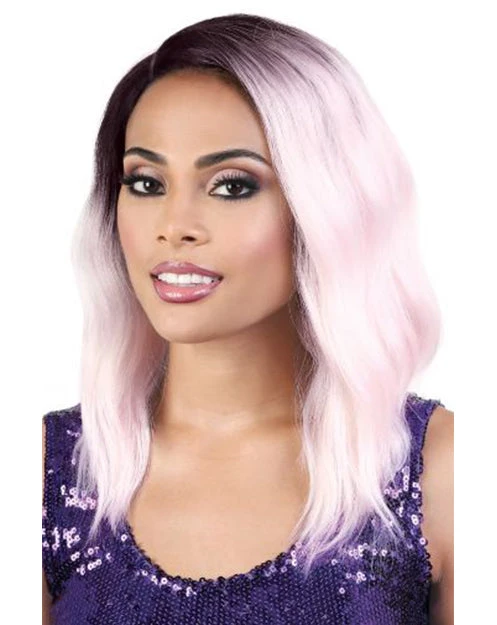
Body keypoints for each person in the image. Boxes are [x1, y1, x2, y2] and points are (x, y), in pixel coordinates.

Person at [42, 12, 454, 625]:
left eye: (232, 186)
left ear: (329, 205)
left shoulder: (437, 470)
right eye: (146, 182)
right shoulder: (47, 473)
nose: (174, 226)